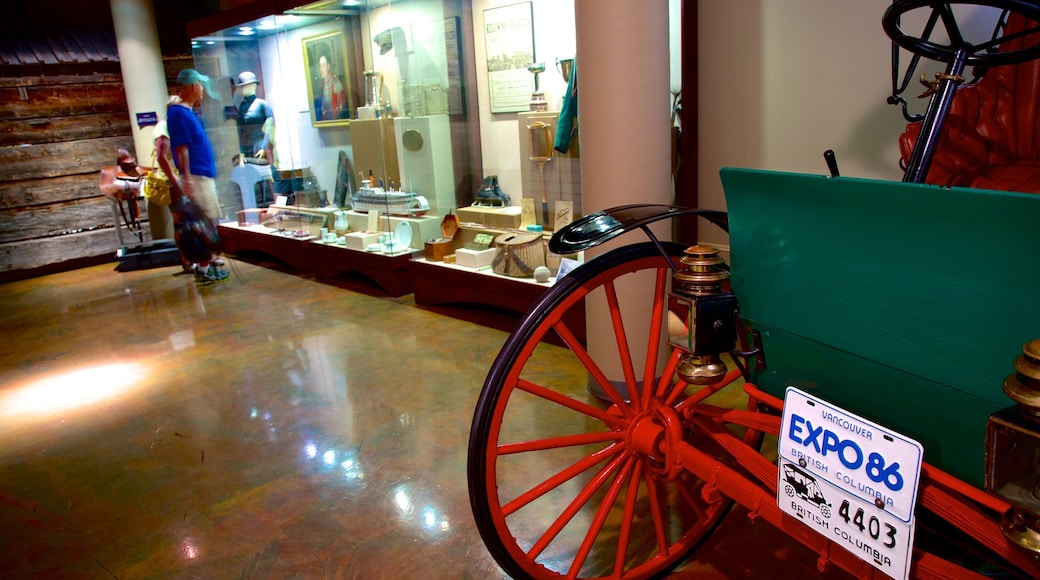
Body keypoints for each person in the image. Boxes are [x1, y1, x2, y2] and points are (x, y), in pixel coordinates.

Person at [166, 69, 229, 286]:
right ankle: (203, 269)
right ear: (194, 86)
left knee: (208, 220)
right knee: (201, 223)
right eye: (200, 87)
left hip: (200, 174)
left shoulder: (186, 112)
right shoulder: (179, 113)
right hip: (196, 176)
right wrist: (187, 178)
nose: (202, 91)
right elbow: (181, 148)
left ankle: (206, 265)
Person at [318, 49, 347, 120]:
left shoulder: (336, 82)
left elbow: (341, 107)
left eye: (323, 65)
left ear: (328, 66)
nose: (321, 68)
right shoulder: (321, 85)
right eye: (320, 65)